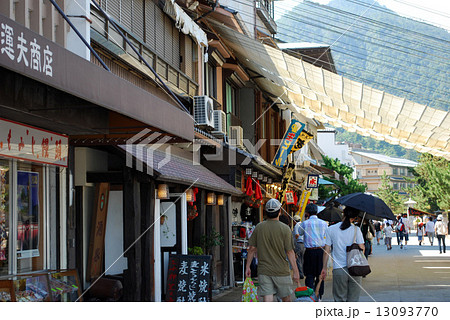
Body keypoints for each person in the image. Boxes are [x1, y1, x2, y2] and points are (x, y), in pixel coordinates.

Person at [245, 199, 299, 302]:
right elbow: (290, 252)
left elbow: (252, 249)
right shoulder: (285, 228)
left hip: (264, 270)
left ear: (265, 212)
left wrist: (248, 267)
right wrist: (296, 272)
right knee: (286, 298)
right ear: (279, 211)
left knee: (267, 298)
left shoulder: (259, 227)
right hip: (281, 270)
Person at [321, 206, 365, 302]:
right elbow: (362, 248)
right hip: (355, 268)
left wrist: (324, 268)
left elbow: (326, 250)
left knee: (339, 300)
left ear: (343, 214)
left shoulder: (331, 229)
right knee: (353, 300)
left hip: (339, 269)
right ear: (354, 218)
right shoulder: (356, 230)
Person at [298, 203, 328, 300]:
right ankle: (319, 296)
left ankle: (310, 296)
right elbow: (326, 236)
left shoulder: (305, 223)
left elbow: (299, 232)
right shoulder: (324, 223)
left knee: (309, 275)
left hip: (309, 252)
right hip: (321, 251)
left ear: (307, 212)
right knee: (320, 274)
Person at [293, 215, 305, 279]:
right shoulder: (302, 224)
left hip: (298, 244)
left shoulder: (296, 226)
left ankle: (301, 274)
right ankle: (303, 272)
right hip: (304, 244)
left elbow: (297, 234)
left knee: (298, 259)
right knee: (302, 259)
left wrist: (295, 240)